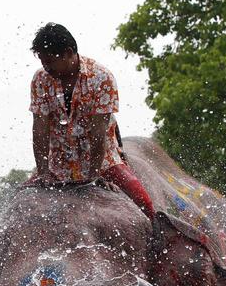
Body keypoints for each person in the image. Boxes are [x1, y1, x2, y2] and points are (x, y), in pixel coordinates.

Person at [28, 23, 155, 219]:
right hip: (59, 164)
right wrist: (44, 172)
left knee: (144, 202)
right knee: (19, 202)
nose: (46, 67)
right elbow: (40, 130)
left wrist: (95, 176)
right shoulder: (40, 80)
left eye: (50, 61)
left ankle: (158, 239)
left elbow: (98, 134)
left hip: (102, 162)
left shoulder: (101, 78)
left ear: (69, 53)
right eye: (42, 61)